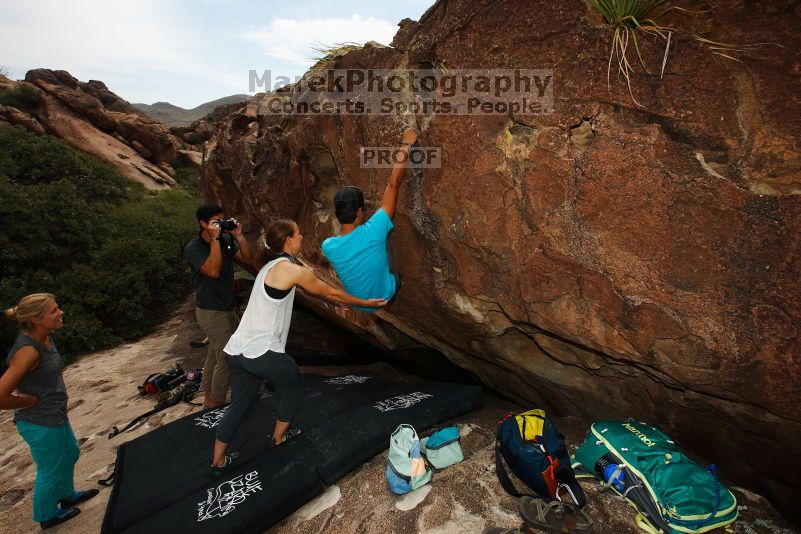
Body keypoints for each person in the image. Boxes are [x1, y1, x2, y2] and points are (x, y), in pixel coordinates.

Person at [210, 219, 385, 475]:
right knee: (294, 390)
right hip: (263, 352)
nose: (302, 236)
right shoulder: (292, 270)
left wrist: (336, 303)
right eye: (299, 233)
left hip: (238, 350)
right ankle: (279, 439)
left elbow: (310, 290)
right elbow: (328, 292)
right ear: (289, 240)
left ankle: (217, 461)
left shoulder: (270, 266)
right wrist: (365, 302)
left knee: (239, 405)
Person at [1, 294, 99, 529]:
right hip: (39, 422)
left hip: (54, 415)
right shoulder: (28, 351)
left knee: (70, 453)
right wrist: (30, 401)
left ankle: (66, 496)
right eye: (54, 311)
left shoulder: (45, 337)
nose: (60, 313)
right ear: (36, 319)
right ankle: (46, 516)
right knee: (50, 468)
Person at [322, 127, 418, 312]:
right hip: (384, 297)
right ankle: (394, 282)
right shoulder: (374, 231)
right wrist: (406, 144)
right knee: (385, 235)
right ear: (359, 212)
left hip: (358, 304)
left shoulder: (328, 246)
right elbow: (393, 185)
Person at [185, 205, 254, 408]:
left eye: (221, 220)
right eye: (215, 221)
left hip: (227, 307)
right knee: (226, 356)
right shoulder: (194, 248)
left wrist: (239, 236)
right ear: (202, 223)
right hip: (210, 310)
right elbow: (213, 271)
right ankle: (216, 401)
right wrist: (215, 239)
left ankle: (208, 396)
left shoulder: (225, 240)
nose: (220, 225)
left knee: (215, 354)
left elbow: (248, 259)